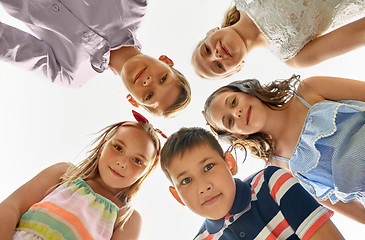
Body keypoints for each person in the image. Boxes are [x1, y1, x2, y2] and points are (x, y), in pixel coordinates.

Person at [203, 75, 365, 224]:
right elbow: (351, 209)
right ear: (238, 135)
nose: (236, 112)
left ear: (246, 91)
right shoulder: (278, 170)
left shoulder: (309, 90)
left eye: (233, 102)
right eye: (229, 121)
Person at [0, 0, 191, 117]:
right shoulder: (135, 4)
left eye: (149, 96)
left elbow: (10, 46)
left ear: (133, 101)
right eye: (163, 78)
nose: (149, 82)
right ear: (166, 61)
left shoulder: (71, 75)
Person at [0, 110, 164, 239]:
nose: (122, 162)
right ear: (104, 145)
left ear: (146, 172)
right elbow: (11, 207)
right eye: (118, 148)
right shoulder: (64, 174)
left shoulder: (127, 219)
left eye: (137, 160)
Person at [160, 127, 344, 239]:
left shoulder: (272, 183)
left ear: (229, 164)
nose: (203, 186)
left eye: (208, 167)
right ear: (178, 196)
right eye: (186, 180)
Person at [191, 0, 365, 79]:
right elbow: (360, 32)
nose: (216, 55)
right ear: (238, 68)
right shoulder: (294, 57)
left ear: (211, 31)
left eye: (206, 50)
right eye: (219, 66)